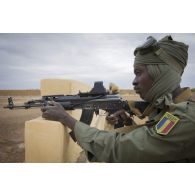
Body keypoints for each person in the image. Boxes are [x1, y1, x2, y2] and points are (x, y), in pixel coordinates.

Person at [41, 35, 195, 162]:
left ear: (161, 73)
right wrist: (128, 122)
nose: (134, 81)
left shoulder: (185, 118)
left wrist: (66, 119)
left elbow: (120, 150)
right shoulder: (172, 108)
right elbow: (151, 143)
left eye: (139, 72)